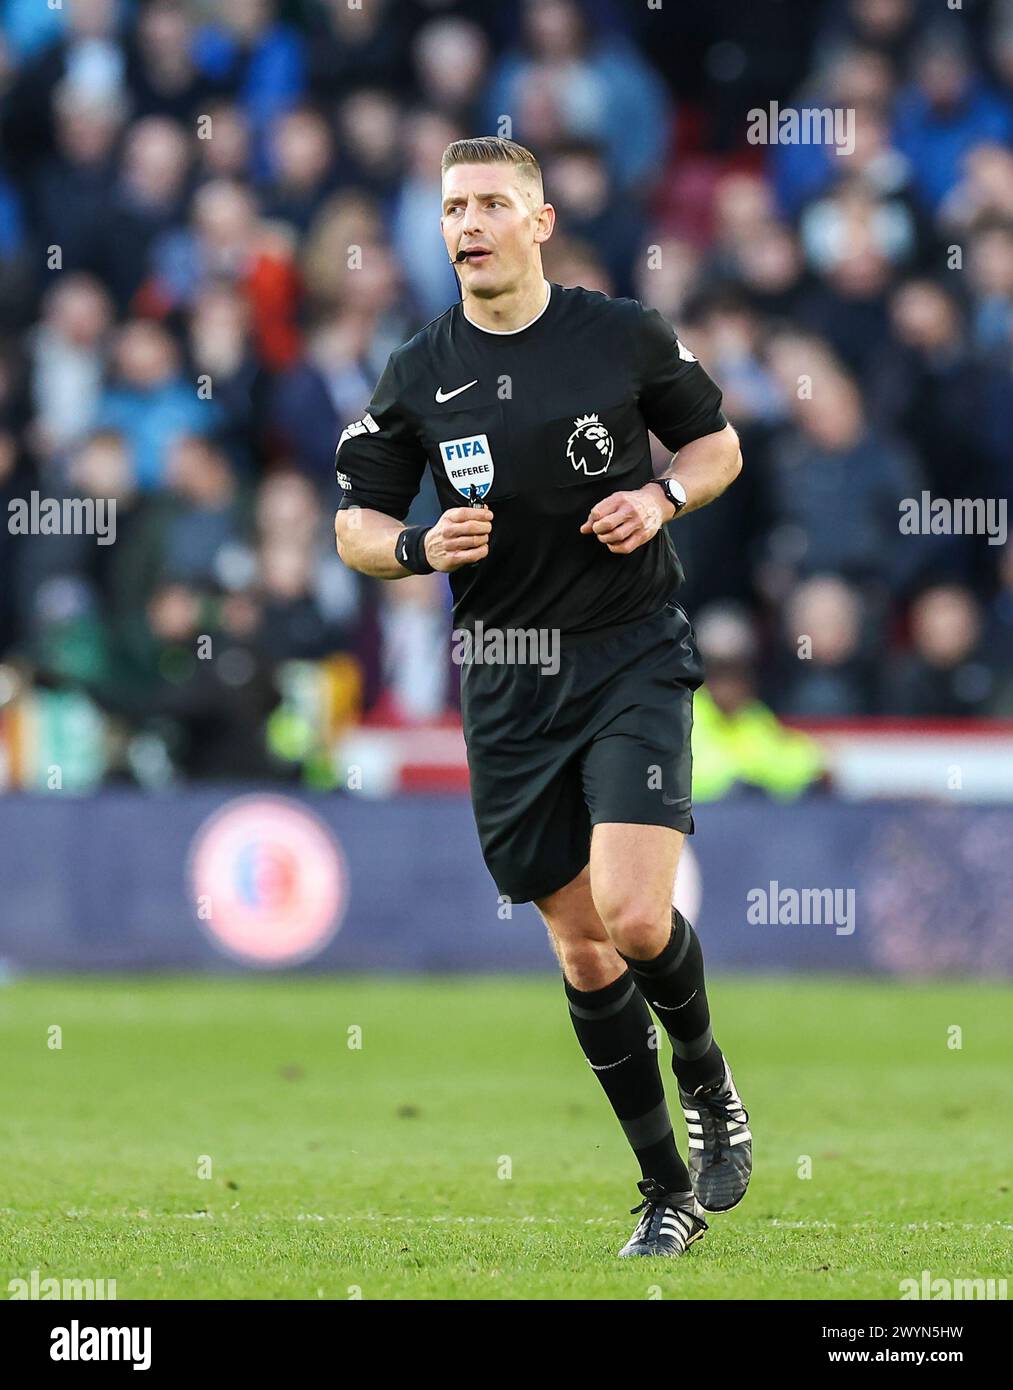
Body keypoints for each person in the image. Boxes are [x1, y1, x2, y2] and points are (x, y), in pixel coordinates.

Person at [333, 136, 749, 1259]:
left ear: (539, 219)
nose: (466, 224)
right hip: (507, 677)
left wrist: (660, 498)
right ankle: (665, 1188)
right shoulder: (416, 370)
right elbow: (353, 528)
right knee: (578, 950)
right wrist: (416, 544)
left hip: (628, 652)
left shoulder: (619, 335)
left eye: (488, 204)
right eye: (450, 207)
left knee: (634, 916)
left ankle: (706, 1073)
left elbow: (716, 446)